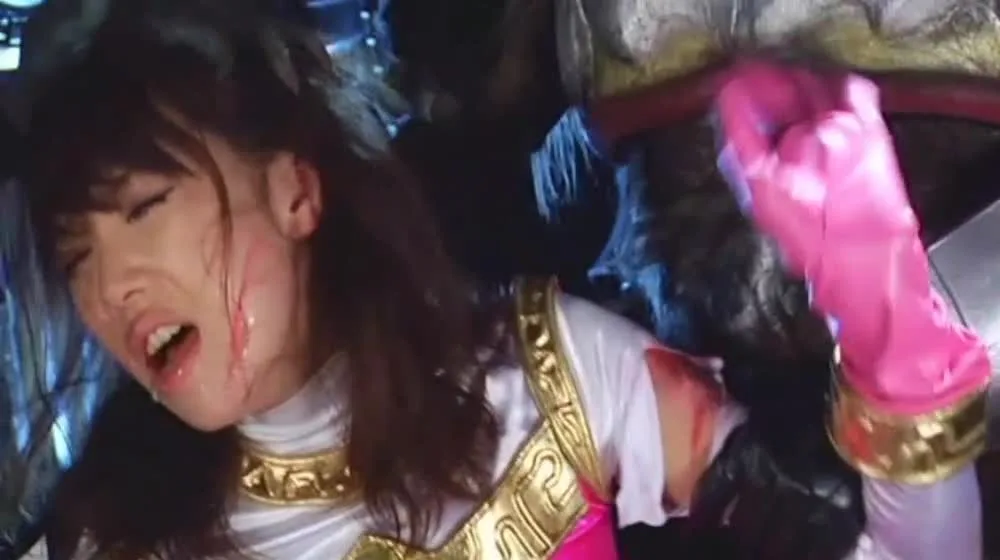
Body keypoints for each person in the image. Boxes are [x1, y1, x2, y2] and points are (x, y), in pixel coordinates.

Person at [11, 1, 988, 558]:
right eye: (78, 255)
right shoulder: (115, 536)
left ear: (296, 191)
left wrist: (889, 325)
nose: (111, 288)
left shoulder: (552, 375)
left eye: (144, 210)